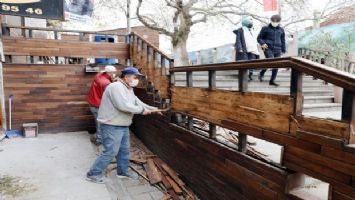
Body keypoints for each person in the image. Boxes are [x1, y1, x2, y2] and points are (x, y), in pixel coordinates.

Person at [86, 66, 158, 183]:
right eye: (135, 77)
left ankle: (122, 172)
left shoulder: (128, 88)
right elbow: (123, 105)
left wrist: (152, 108)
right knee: (110, 151)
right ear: (126, 77)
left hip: (122, 124)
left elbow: (137, 101)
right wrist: (141, 111)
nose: (137, 80)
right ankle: (93, 174)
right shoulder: (115, 87)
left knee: (124, 150)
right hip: (111, 124)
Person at [87, 65, 117, 145]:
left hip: (92, 103)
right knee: (101, 124)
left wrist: (112, 79)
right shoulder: (106, 83)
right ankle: (99, 140)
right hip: (99, 106)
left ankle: (100, 138)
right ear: (110, 73)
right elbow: (110, 95)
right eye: (114, 73)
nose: (115, 74)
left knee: (98, 123)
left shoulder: (98, 75)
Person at [257, 14, 286, 86]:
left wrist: (283, 49)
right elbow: (259, 38)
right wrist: (262, 43)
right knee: (271, 61)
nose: (274, 23)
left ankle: (272, 80)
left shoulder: (281, 30)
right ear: (271, 21)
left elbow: (283, 40)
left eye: (276, 21)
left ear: (279, 22)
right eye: (273, 21)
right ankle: (262, 73)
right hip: (268, 48)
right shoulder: (265, 28)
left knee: (276, 64)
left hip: (278, 49)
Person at [233, 16, 260, 81]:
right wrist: (239, 48)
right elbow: (238, 40)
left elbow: (254, 39)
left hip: (253, 50)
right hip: (244, 49)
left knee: (252, 62)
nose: (251, 23)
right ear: (246, 23)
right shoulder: (240, 30)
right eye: (250, 22)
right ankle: (246, 76)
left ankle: (250, 74)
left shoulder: (252, 30)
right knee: (245, 63)